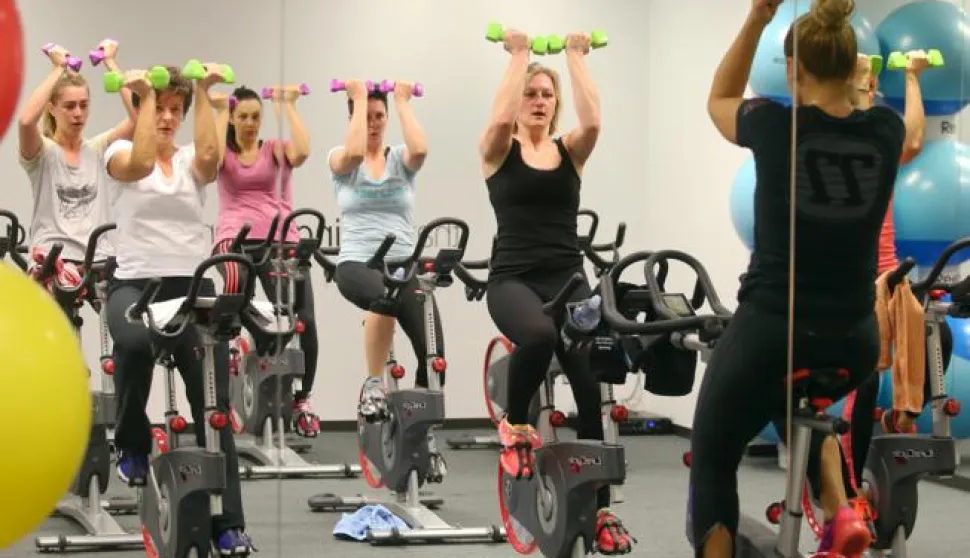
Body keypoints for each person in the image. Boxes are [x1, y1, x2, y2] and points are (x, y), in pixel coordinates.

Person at [691, 0, 906, 556]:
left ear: (793, 70)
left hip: (774, 331)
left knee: (713, 453)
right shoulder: (886, 130)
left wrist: (757, 18)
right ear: (857, 68)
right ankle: (839, 511)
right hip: (855, 341)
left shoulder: (772, 124)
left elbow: (718, 98)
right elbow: (867, 110)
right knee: (799, 405)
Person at [478, 29, 634, 554]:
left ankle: (604, 510)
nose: (539, 102)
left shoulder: (571, 151)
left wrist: (575, 57)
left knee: (592, 389)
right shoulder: (499, 149)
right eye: (531, 94)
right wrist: (519, 58)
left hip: (568, 278)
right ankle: (517, 425)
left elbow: (593, 121)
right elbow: (499, 118)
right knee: (541, 336)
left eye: (546, 95)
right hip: (513, 281)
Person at [102, 65, 255, 555]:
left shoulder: (191, 160)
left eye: (175, 109)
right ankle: (131, 440)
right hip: (136, 285)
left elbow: (211, 161)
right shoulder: (120, 152)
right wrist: (144, 98)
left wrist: (209, 94)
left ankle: (228, 523)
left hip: (188, 286)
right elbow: (143, 163)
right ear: (144, 108)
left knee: (214, 406)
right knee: (131, 339)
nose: (167, 117)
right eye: (159, 108)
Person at [841, 49, 954, 507]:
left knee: (938, 337)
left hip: (888, 277)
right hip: (849, 283)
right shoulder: (839, 143)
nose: (870, 93)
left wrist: (911, 78)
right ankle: (849, 491)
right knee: (864, 380)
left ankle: (904, 417)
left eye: (872, 87)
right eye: (864, 86)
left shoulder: (880, 148)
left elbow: (912, 139)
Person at [327, 81, 443, 431]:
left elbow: (420, 149)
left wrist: (402, 100)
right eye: (366, 117)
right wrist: (358, 97)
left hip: (403, 265)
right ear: (354, 120)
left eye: (380, 117)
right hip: (357, 264)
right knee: (384, 296)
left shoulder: (399, 160)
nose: (374, 123)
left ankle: (419, 431)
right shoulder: (340, 158)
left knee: (434, 356)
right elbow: (353, 152)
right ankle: (373, 384)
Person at [210, 85, 318, 436]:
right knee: (234, 286)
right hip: (235, 237)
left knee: (303, 319)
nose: (250, 123)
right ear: (232, 118)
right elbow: (208, 159)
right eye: (242, 116)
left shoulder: (273, 150)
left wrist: (286, 107)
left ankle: (303, 400)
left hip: (280, 238)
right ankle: (233, 355)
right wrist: (218, 110)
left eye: (255, 116)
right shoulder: (224, 153)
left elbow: (302, 152)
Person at [17, 40, 134, 309]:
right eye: (69, 106)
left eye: (83, 105)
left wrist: (110, 62)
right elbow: (25, 121)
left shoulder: (97, 148)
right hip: (53, 258)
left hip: (98, 256)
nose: (78, 113)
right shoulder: (42, 153)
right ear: (52, 107)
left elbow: (139, 119)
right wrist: (58, 69)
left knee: (127, 325)